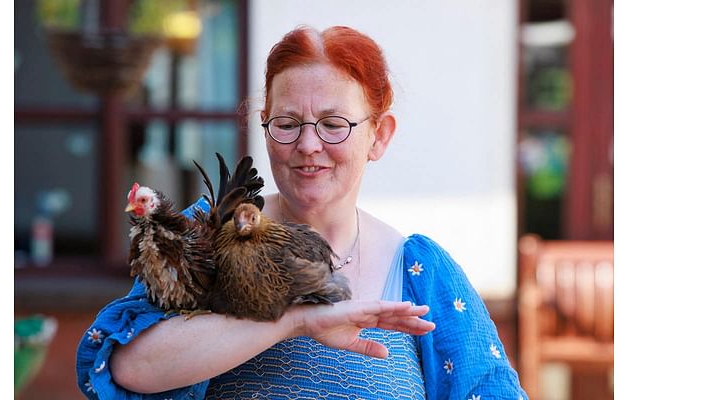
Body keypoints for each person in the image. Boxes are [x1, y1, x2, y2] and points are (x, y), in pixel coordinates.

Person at [77, 25, 528, 400]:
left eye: (334, 124)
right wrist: (293, 320)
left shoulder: (419, 272)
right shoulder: (206, 234)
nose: (308, 145)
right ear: (265, 127)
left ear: (380, 135)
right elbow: (128, 367)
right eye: (288, 124)